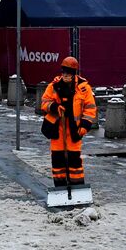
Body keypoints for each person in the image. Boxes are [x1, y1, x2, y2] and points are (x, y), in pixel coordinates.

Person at [39, 57, 97, 187]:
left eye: (68, 73)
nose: (65, 75)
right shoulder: (53, 86)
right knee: (58, 159)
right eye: (64, 72)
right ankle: (60, 187)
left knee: (74, 160)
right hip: (57, 129)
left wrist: (85, 126)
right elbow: (44, 103)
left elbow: (90, 109)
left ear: (74, 73)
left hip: (74, 130)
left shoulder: (84, 88)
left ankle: (77, 187)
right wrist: (54, 107)